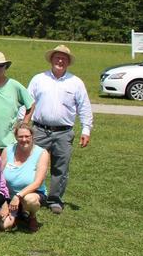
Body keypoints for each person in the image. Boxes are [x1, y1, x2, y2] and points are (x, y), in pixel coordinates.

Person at [26, 44, 93, 215]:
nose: (60, 60)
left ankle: (55, 199)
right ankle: (32, 195)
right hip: (40, 130)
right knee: (32, 164)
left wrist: (86, 129)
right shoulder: (39, 79)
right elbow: (28, 102)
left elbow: (84, 107)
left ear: (68, 62)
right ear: (52, 59)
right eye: (57, 57)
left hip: (64, 132)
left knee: (60, 167)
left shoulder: (76, 83)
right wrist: (23, 123)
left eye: (64, 58)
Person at [0, 125, 49, 232]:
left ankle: (32, 216)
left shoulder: (42, 153)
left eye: (27, 136)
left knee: (30, 200)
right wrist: (3, 202)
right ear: (15, 137)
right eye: (20, 137)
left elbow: (38, 182)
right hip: (8, 196)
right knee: (3, 226)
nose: (24, 139)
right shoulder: (7, 151)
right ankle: (18, 214)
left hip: (31, 193)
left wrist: (18, 196)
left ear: (32, 136)